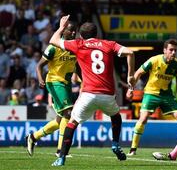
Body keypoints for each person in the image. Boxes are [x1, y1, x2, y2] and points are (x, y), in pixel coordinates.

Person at [50, 15, 135, 166]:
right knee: (116, 116)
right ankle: (115, 144)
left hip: (88, 94)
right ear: (97, 35)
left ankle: (61, 157)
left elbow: (53, 41)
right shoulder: (109, 44)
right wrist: (130, 76)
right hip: (108, 95)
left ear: (81, 35)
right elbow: (130, 53)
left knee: (72, 123)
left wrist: (61, 27)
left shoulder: (78, 44)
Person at [126, 39, 177, 156]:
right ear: (165, 50)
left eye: (175, 50)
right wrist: (130, 89)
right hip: (151, 93)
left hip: (166, 95)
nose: (173, 52)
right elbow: (138, 73)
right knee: (143, 119)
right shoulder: (154, 60)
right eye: (171, 50)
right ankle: (132, 150)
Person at [25, 21, 78, 157]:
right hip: (54, 82)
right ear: (63, 31)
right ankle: (61, 150)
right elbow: (39, 65)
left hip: (66, 84)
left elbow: (76, 66)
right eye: (71, 30)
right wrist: (40, 79)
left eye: (75, 31)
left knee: (60, 120)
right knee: (68, 113)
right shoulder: (53, 47)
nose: (73, 33)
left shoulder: (75, 46)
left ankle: (33, 137)